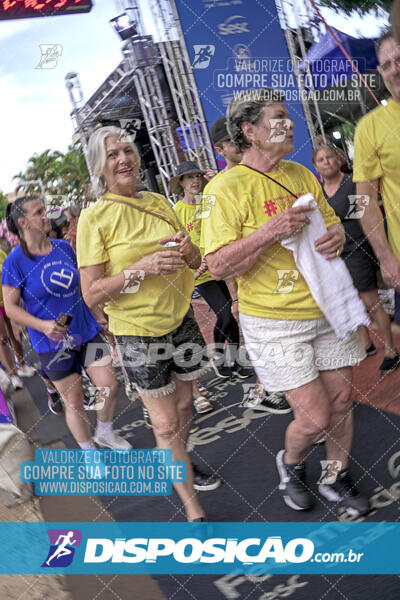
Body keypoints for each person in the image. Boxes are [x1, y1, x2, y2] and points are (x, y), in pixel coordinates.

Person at [202, 88, 370, 516]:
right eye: (278, 118)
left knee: (342, 402)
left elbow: (331, 229)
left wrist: (336, 237)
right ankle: (291, 464)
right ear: (250, 131)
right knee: (314, 417)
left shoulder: (300, 173)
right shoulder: (223, 189)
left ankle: (336, 474)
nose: (290, 123)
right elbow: (218, 266)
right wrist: (268, 232)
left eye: (288, 116)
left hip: (325, 306)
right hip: (275, 321)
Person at [76, 126, 221, 522]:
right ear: (99, 167)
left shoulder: (158, 200)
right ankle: (192, 505)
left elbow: (193, 260)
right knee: (165, 420)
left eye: (128, 150)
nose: (124, 159)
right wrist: (139, 269)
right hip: (137, 331)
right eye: (112, 154)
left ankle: (177, 462)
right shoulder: (94, 217)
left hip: (181, 320)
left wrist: (191, 250)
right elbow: (91, 293)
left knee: (187, 405)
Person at [2, 195, 130, 451]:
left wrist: (98, 315)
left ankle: (104, 431)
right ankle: (88, 451)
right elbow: (11, 308)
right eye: (39, 212)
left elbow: (83, 288)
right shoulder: (14, 262)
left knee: (109, 385)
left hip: (86, 330)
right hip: (51, 343)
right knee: (74, 401)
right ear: (24, 222)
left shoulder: (63, 247)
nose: (46, 215)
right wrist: (43, 326)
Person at [202, 116, 291, 415]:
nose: (239, 145)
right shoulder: (216, 189)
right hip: (252, 288)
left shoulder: (268, 172)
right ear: (220, 149)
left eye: (239, 137)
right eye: (231, 142)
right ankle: (264, 389)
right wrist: (236, 295)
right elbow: (223, 253)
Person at [313, 144, 399, 373]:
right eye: (321, 159)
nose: (326, 162)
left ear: (337, 158)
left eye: (329, 157)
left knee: (371, 302)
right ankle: (366, 344)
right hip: (336, 255)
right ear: (315, 166)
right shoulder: (318, 191)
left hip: (359, 247)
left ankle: (391, 350)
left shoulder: (352, 182)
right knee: (351, 300)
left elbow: (363, 214)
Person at [171, 160, 253, 380]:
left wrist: (216, 180)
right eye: (190, 177)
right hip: (201, 274)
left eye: (198, 176)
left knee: (232, 318)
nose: (195, 181)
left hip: (221, 266)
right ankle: (217, 353)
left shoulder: (207, 202)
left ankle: (234, 361)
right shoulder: (177, 211)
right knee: (225, 313)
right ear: (181, 182)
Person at [353, 28, 400, 331]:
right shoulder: (369, 128)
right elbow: (365, 201)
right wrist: (386, 259)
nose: (395, 70)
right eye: (387, 65)